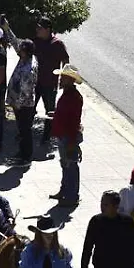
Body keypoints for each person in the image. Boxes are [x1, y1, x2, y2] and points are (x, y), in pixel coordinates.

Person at [49, 64, 84, 203]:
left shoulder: (74, 97)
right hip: (63, 136)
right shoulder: (67, 94)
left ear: (70, 79)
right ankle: (64, 191)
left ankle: (71, 197)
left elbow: (73, 121)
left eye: (63, 77)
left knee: (71, 167)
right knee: (65, 165)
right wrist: (56, 115)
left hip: (68, 138)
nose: (60, 79)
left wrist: (71, 142)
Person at [6, 38, 38, 165]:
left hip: (24, 105)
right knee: (22, 130)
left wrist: (17, 104)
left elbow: (25, 91)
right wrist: (6, 28)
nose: (18, 51)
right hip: (20, 103)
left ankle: (26, 158)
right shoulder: (26, 58)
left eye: (21, 50)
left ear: (25, 52)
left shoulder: (28, 69)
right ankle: (22, 152)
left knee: (25, 131)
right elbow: (15, 43)